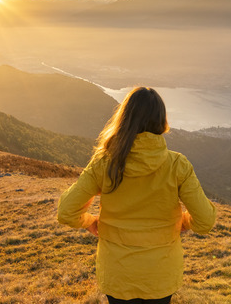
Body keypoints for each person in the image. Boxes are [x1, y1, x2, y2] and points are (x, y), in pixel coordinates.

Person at [57, 87, 216, 303]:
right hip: (160, 276)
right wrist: (184, 222)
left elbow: (66, 211)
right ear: (161, 121)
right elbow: (205, 220)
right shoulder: (177, 165)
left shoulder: (104, 163)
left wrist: (90, 221)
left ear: (124, 118)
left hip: (117, 274)